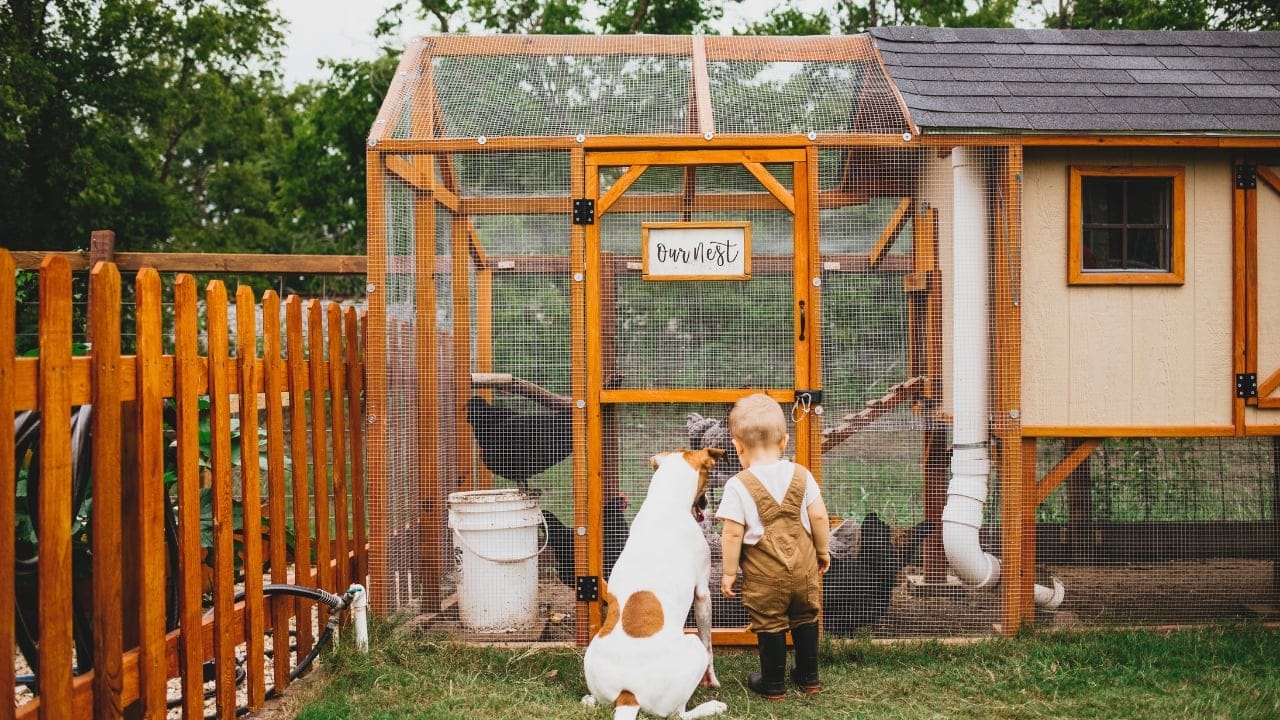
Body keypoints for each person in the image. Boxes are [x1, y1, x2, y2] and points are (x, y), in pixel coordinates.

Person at [717, 393, 831, 700]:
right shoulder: (802, 475)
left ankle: (773, 683)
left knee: (769, 621)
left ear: (738, 446)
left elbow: (731, 534)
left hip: (765, 577)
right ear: (784, 442)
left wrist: (729, 572)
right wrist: (822, 551)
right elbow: (819, 516)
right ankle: (809, 677)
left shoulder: (738, 485)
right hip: (804, 570)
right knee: (806, 616)